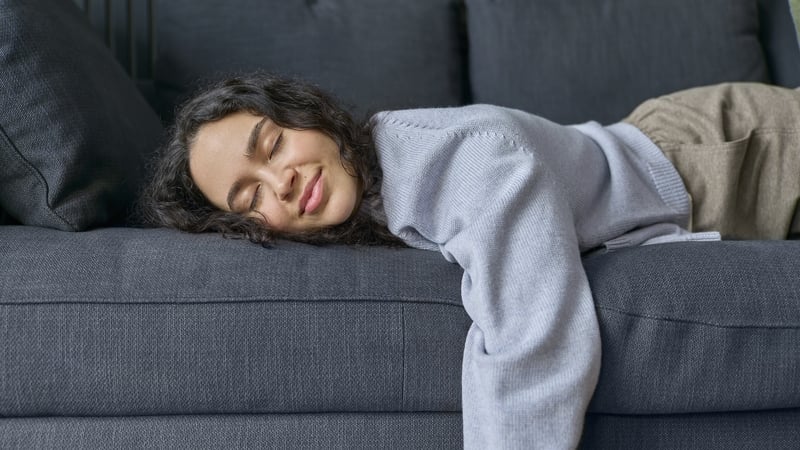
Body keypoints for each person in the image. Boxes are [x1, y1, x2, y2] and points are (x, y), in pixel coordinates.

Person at [139, 73, 800, 449]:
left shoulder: (457, 160)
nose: (280, 181)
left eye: (273, 143)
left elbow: (531, 337)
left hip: (724, 153)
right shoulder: (359, 203)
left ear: (306, 118)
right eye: (249, 196)